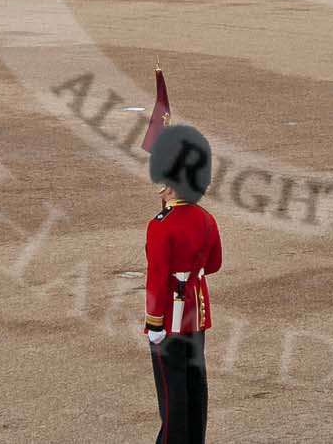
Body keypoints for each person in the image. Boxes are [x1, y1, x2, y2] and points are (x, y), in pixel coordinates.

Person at [146, 124, 221, 444]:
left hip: (170, 316)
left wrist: (154, 323)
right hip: (196, 310)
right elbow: (214, 263)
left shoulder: (160, 226)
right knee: (194, 383)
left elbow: (157, 279)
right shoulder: (205, 218)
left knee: (171, 389)